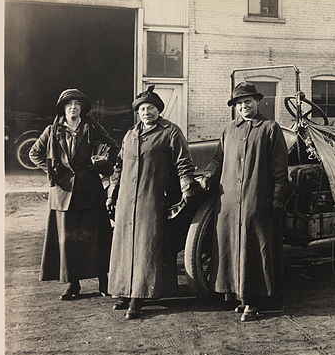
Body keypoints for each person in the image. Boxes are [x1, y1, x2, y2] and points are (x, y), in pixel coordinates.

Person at [106, 85, 197, 319]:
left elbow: (183, 162)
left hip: (152, 196)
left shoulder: (171, 132)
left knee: (147, 245)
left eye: (152, 108)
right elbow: (119, 166)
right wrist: (112, 192)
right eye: (143, 109)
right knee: (125, 244)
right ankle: (123, 291)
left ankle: (139, 297)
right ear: (138, 112)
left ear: (159, 111)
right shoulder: (130, 134)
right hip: (128, 198)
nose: (147, 112)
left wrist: (187, 188)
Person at [200, 82, 289, 322]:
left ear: (257, 102)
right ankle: (239, 296)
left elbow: (280, 169)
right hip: (229, 199)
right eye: (239, 103)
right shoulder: (229, 130)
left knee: (255, 246)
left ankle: (255, 301)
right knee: (232, 246)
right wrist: (208, 174)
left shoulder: (270, 129)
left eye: (247, 102)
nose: (243, 107)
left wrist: (278, 199)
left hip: (256, 198)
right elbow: (218, 159)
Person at [29, 89, 117, 300]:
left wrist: (101, 162)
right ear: (63, 109)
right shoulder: (52, 130)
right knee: (67, 242)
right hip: (63, 194)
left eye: (77, 104)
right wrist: (52, 170)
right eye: (69, 105)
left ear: (82, 109)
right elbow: (34, 153)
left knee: (97, 238)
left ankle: (104, 282)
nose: (73, 108)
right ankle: (72, 285)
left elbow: (113, 148)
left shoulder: (92, 127)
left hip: (90, 192)